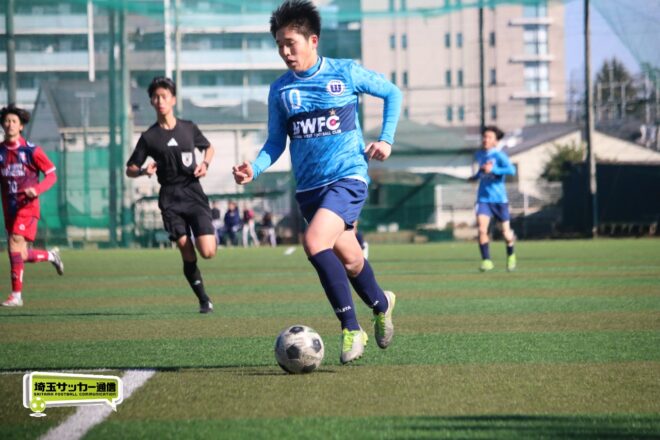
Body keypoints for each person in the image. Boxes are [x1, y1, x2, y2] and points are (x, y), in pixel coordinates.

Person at [232, 0, 401, 364]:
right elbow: (276, 142)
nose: (284, 51)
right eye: (279, 44)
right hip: (309, 190)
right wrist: (255, 168)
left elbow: (392, 92)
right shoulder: (280, 91)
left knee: (313, 241)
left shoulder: (345, 72)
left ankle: (351, 328)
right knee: (351, 260)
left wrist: (386, 139)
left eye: (290, 43)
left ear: (313, 40)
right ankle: (382, 304)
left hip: (347, 177)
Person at [126, 77, 216, 313]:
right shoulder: (149, 137)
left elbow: (209, 148)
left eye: (164, 96)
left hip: (194, 193)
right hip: (170, 198)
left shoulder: (188, 128)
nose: (160, 101)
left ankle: (201, 236)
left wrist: (205, 164)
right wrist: (143, 171)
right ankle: (204, 300)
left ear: (173, 99)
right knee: (185, 247)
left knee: (208, 252)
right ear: (151, 102)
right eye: (155, 97)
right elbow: (130, 168)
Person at [0, 105, 64, 307]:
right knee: (20, 254)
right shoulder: (0, 151)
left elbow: (52, 175)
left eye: (14, 121)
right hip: (9, 208)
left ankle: (16, 296)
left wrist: (37, 189)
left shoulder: (31, 150)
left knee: (14, 242)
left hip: (27, 207)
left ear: (21, 126)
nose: (10, 125)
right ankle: (51, 255)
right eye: (6, 121)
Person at [469, 125, 517, 272]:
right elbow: (482, 171)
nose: (485, 139)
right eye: (484, 136)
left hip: (499, 200)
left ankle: (511, 254)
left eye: (489, 137)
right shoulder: (479, 155)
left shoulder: (499, 156)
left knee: (506, 234)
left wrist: (494, 169)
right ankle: (487, 261)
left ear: (495, 141)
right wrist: (475, 177)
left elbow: (512, 170)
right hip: (483, 199)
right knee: (482, 230)